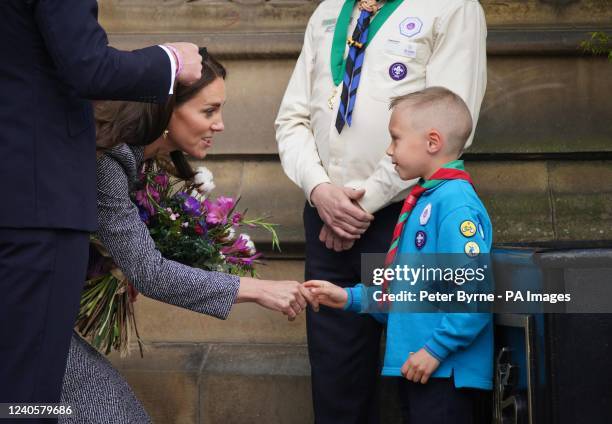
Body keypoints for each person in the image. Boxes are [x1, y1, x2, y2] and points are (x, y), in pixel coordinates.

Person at [58, 50, 317, 423]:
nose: (220, 125)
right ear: (166, 111)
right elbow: (152, 273)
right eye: (208, 111)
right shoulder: (107, 161)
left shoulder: (137, 163)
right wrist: (260, 290)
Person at [275, 0, 487, 421]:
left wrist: (359, 206)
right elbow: (292, 119)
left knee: (424, 380)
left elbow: (445, 131)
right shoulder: (329, 10)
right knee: (336, 379)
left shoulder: (454, 7)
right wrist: (321, 191)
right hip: (324, 215)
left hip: (405, 216)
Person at [0, 0, 205, 413]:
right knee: (27, 399)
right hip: (37, 207)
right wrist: (172, 60)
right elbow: (87, 65)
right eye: (209, 110)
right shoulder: (111, 165)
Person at [305, 86, 493, 423]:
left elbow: (476, 295)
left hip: (444, 372)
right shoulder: (426, 200)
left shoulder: (455, 204)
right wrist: (347, 298)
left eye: (395, 139)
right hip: (419, 368)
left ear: (432, 142)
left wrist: (435, 350)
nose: (389, 151)